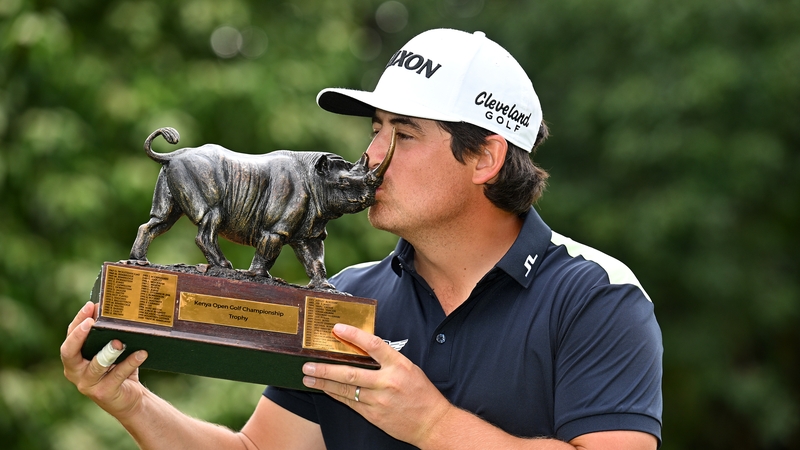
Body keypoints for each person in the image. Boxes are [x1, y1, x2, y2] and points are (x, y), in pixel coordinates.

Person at [61, 28, 662, 449]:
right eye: (375, 128)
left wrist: (430, 424)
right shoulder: (344, 297)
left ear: (485, 157)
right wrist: (131, 402)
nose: (371, 155)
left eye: (404, 132)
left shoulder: (598, 297)